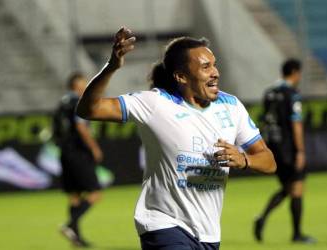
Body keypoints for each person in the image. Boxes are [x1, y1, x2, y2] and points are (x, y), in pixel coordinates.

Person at [76, 26, 276, 250]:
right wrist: (111, 68)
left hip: (208, 232)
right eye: (205, 67)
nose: (215, 72)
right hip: (163, 224)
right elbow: (89, 110)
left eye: (214, 64)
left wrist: (245, 159)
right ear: (181, 76)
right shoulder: (154, 103)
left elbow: (268, 161)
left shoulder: (232, 106)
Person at [254, 59, 316, 244]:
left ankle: (262, 218)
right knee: (296, 188)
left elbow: (266, 121)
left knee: (288, 188)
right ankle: (297, 235)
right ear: (295, 72)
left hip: (274, 147)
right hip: (289, 148)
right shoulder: (292, 94)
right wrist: (300, 151)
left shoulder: (269, 93)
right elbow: (296, 124)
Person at [54, 73, 103, 248]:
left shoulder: (62, 102)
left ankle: (76, 237)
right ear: (75, 85)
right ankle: (69, 224)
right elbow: (81, 127)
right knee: (95, 193)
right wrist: (94, 147)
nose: (86, 86)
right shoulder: (78, 102)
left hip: (64, 153)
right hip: (78, 153)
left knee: (74, 195)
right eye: (83, 83)